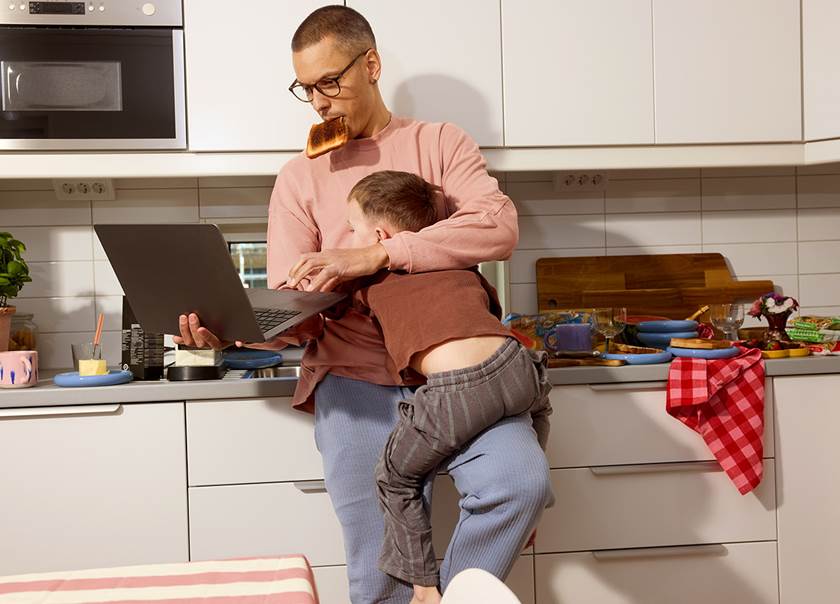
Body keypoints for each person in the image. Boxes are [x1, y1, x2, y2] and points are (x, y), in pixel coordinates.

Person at [175, 6, 553, 603]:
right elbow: (293, 307)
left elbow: (497, 227)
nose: (319, 103)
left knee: (519, 485)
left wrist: (378, 254)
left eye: (330, 82)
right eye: (306, 89)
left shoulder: (439, 143)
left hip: (457, 372)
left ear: (371, 65)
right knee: (380, 573)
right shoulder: (299, 178)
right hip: (353, 375)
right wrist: (231, 332)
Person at [329, 170, 553, 603]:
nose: (349, 237)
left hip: (458, 390)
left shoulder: (367, 280)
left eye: (352, 228)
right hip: (517, 366)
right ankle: (528, 517)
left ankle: (425, 590)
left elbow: (326, 308)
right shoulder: (458, 260)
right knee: (536, 416)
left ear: (379, 236)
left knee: (395, 478)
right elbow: (489, 307)